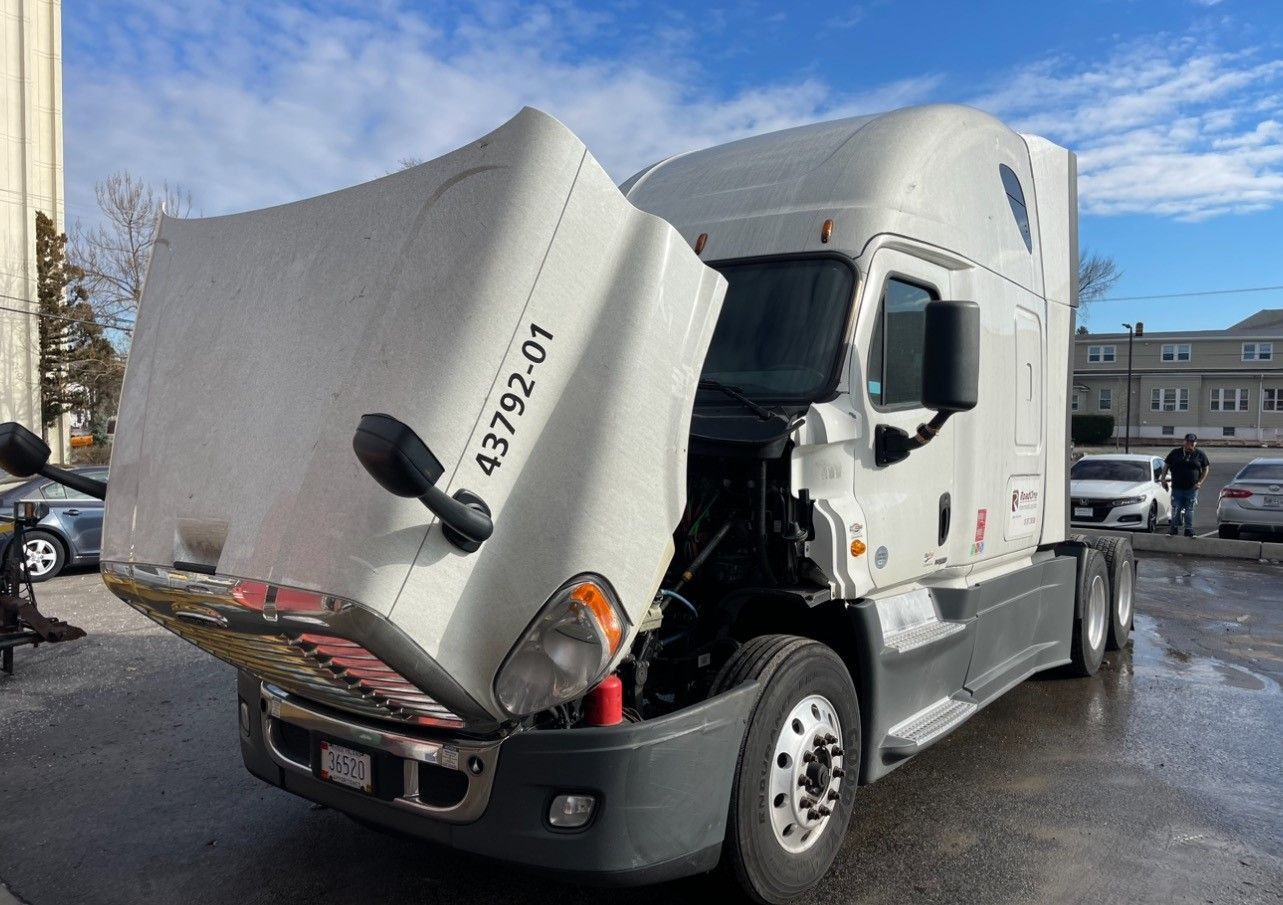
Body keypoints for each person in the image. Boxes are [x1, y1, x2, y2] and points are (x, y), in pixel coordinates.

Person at [1159, 433, 1210, 537]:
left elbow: (1206, 469)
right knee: (1176, 508)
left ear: (1195, 443)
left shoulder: (1200, 454)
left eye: (1192, 442)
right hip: (1177, 487)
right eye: (1188, 442)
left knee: (1189, 509)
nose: (1190, 444)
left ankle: (1188, 530)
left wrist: (1200, 482)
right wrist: (1163, 479)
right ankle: (1173, 529)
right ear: (1184, 442)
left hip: (1192, 488)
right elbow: (1166, 466)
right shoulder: (1175, 453)